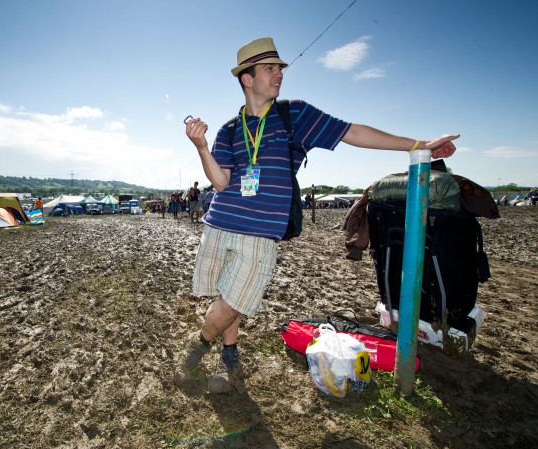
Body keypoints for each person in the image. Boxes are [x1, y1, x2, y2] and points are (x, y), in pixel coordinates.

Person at [175, 37, 459, 394]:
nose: (279, 74)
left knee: (234, 299)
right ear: (247, 79)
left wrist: (418, 145)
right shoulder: (229, 130)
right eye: (269, 68)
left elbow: (353, 132)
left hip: (262, 234)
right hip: (219, 224)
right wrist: (202, 147)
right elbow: (220, 181)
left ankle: (197, 348)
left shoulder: (295, 114)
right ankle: (230, 349)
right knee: (227, 295)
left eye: (280, 68)